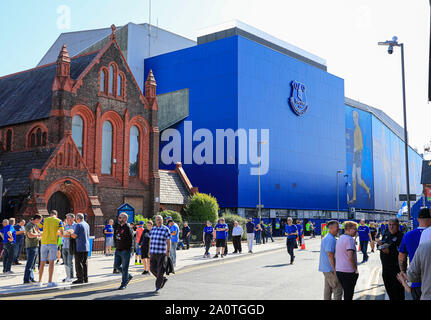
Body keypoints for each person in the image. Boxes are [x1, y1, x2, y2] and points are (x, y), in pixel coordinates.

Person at [398, 208, 431, 300]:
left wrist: (403, 272)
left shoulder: (408, 235)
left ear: (418, 219)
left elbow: (402, 257)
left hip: (417, 281)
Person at [376, 218, 405, 300]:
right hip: (386, 270)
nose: (391, 227)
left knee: (398, 294)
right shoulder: (386, 233)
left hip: (396, 271)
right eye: (390, 225)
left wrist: (389, 252)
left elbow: (402, 254)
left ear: (398, 226)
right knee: (390, 294)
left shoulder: (401, 236)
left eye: (393, 225)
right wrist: (379, 244)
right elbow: (380, 244)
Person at [38, 210, 64, 287]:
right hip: (53, 243)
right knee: (51, 262)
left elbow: (36, 227)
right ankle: (49, 282)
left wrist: (41, 233)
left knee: (42, 262)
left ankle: (40, 281)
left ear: (50, 214)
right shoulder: (59, 221)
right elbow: (62, 233)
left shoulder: (44, 220)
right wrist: (57, 233)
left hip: (44, 242)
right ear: (56, 215)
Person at [319, 220, 343, 300]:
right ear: (331, 228)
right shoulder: (331, 239)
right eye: (337, 228)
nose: (338, 230)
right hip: (330, 269)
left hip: (326, 269)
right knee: (337, 290)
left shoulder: (327, 237)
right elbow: (330, 255)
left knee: (328, 289)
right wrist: (334, 269)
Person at [335, 221, 359, 300]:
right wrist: (355, 269)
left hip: (339, 270)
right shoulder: (350, 240)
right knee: (348, 294)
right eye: (354, 229)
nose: (356, 231)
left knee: (346, 293)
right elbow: (350, 257)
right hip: (348, 271)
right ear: (348, 229)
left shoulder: (340, 238)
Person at [149, 215, 171, 291]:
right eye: (157, 219)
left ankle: (157, 286)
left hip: (161, 253)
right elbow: (150, 240)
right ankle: (163, 279)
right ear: (155, 221)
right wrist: (149, 250)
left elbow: (168, 241)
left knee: (160, 270)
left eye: (160, 219)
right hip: (153, 252)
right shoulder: (153, 229)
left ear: (162, 221)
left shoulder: (166, 229)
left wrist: (168, 251)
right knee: (151, 269)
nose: (158, 221)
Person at [113, 212, 134, 290]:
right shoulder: (118, 226)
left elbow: (131, 241)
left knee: (125, 268)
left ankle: (124, 284)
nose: (119, 219)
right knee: (116, 266)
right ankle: (128, 276)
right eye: (119, 217)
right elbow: (115, 236)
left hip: (125, 251)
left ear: (125, 219)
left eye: (120, 217)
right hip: (118, 250)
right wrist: (116, 245)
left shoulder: (128, 228)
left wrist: (128, 250)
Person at [70, 213, 90, 284]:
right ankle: (85, 278)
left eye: (76, 218)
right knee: (85, 263)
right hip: (86, 246)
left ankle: (80, 278)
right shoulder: (87, 224)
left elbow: (75, 236)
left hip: (79, 246)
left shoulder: (79, 225)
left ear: (78, 219)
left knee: (78, 263)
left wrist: (70, 233)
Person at [23, 215, 42, 284]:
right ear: (36, 219)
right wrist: (38, 235)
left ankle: (31, 278)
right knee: (30, 263)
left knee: (32, 264)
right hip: (31, 246)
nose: (39, 222)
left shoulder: (33, 225)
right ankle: (26, 279)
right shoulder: (29, 225)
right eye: (39, 221)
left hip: (34, 245)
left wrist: (38, 236)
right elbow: (30, 235)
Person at [61, 213, 76, 282]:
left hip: (71, 246)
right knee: (65, 262)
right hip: (64, 245)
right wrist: (65, 234)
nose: (67, 219)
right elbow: (62, 234)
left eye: (68, 218)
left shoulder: (76, 226)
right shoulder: (66, 226)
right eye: (66, 218)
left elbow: (73, 235)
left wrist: (65, 234)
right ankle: (67, 276)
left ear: (73, 219)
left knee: (70, 262)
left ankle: (71, 276)